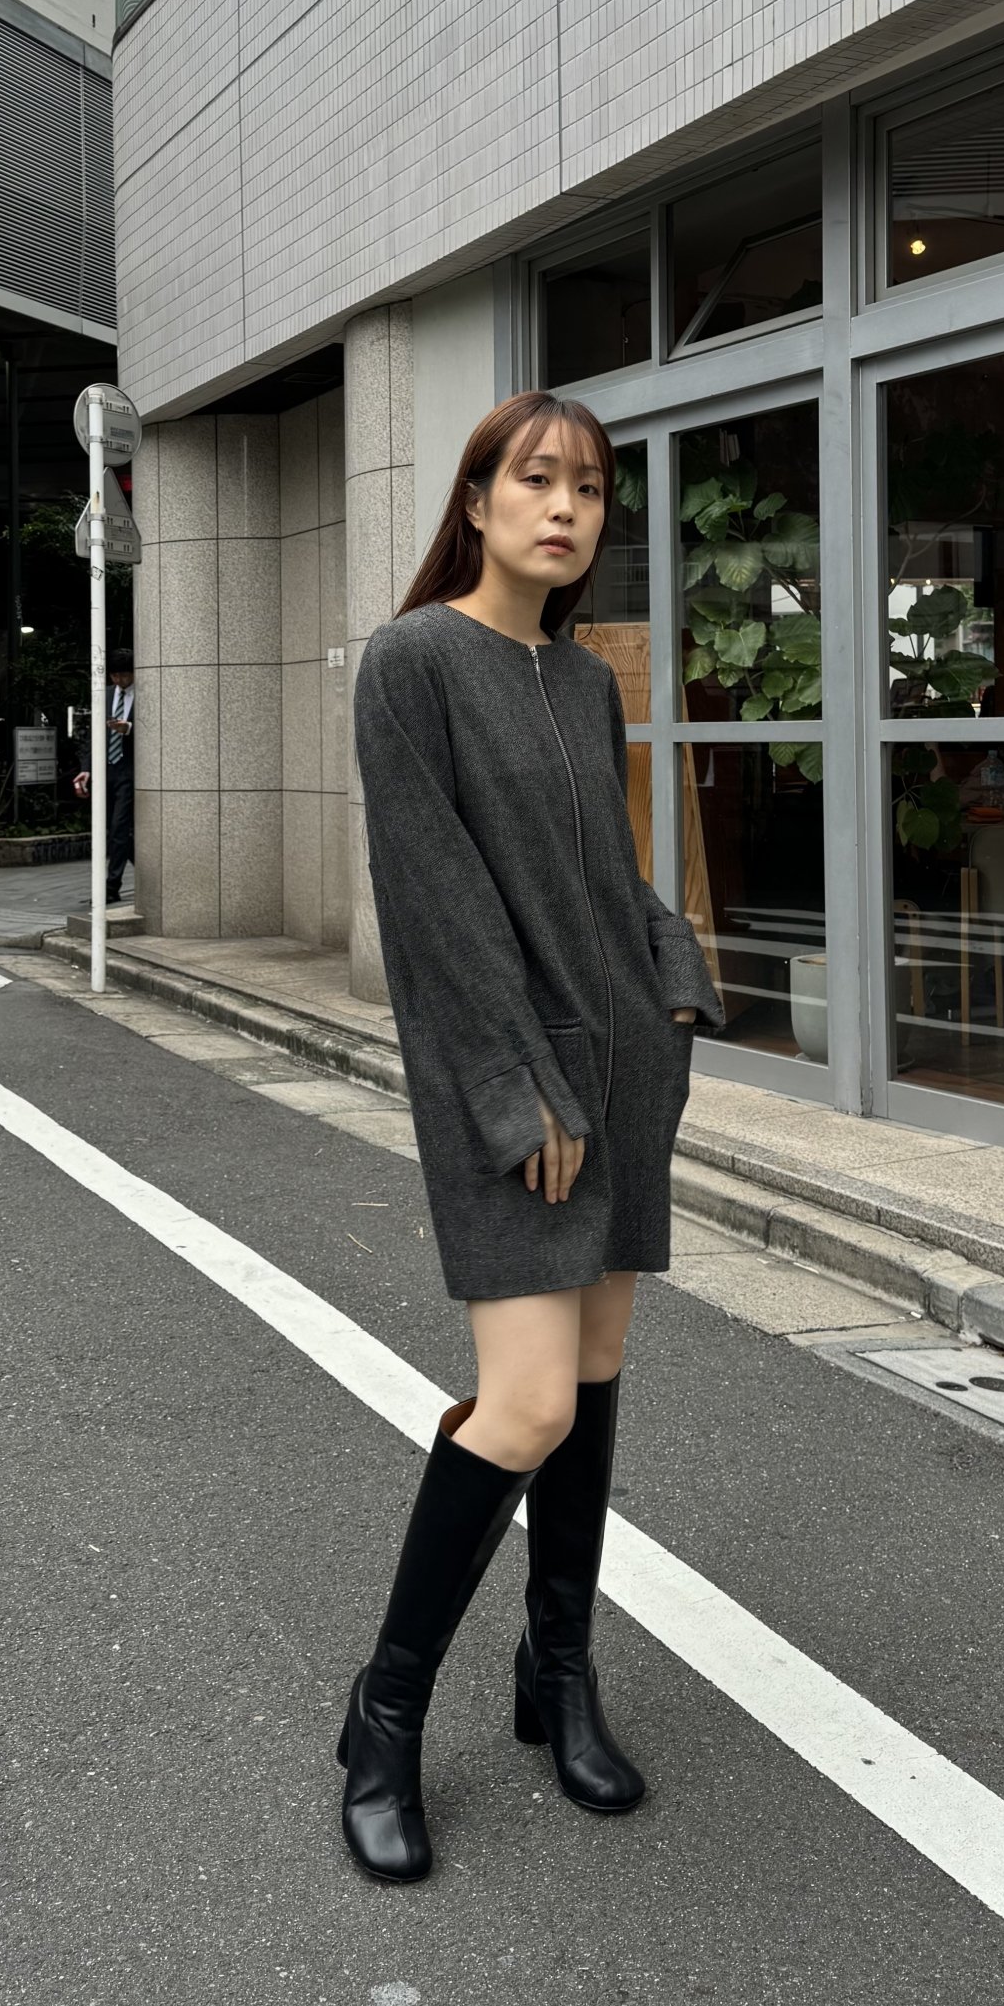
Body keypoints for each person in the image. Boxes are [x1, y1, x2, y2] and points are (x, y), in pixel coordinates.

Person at [340, 390, 725, 1883]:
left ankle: (555, 1675)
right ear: (478, 498)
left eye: (590, 488)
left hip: (623, 1071)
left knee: (597, 1375)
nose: (565, 507)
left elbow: (613, 871)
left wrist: (675, 976)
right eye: (536, 479)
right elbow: (433, 903)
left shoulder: (582, 680)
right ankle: (383, 1718)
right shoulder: (413, 661)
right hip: (516, 1090)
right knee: (526, 1404)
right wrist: (516, 1090)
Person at [73, 648, 136, 905]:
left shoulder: (148, 693)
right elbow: (93, 736)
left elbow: (157, 728)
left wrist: (128, 728)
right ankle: (151, 870)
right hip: (105, 770)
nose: (120, 681)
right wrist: (86, 768)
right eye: (115, 676)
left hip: (130, 770)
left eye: (125, 676)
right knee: (111, 828)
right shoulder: (105, 694)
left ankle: (111, 887)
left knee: (119, 827)